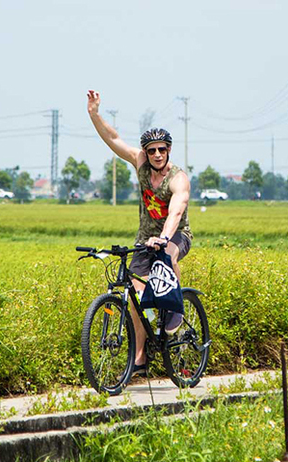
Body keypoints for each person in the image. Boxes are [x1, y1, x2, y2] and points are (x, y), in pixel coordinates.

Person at [87, 90, 193, 376]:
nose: (156, 154)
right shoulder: (141, 164)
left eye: (162, 149)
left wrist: (165, 237)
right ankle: (140, 359)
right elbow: (113, 139)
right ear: (145, 152)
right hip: (144, 239)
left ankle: (175, 307)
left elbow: (176, 211)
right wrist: (94, 114)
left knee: (168, 255)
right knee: (136, 295)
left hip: (176, 235)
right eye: (152, 150)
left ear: (168, 150)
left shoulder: (178, 177)